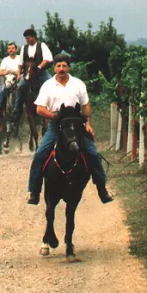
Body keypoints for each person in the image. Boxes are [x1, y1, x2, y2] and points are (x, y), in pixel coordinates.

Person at [26, 54, 112, 205]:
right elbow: (39, 109)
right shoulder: (47, 85)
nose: (61, 69)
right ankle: (34, 191)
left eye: (64, 66)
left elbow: (86, 108)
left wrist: (88, 124)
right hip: (56, 125)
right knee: (40, 154)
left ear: (68, 67)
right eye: (58, 66)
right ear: (54, 68)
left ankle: (102, 189)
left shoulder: (78, 84)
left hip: (76, 124)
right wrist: (54, 116)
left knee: (92, 153)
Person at [13, 28, 53, 122]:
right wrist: (19, 74)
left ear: (34, 37)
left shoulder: (42, 45)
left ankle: (54, 107)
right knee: (20, 87)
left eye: (28, 38)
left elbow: (47, 58)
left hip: (41, 72)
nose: (27, 40)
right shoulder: (24, 47)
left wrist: (39, 67)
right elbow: (20, 62)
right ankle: (17, 109)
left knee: (52, 84)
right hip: (27, 72)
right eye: (26, 38)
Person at [0, 42, 21, 110]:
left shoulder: (20, 58)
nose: (11, 50)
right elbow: (1, 72)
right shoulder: (5, 60)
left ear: (16, 50)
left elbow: (23, 70)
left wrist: (15, 72)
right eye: (9, 48)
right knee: (3, 89)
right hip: (7, 79)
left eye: (12, 48)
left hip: (18, 79)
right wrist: (8, 71)